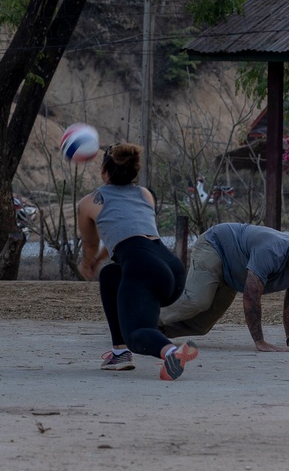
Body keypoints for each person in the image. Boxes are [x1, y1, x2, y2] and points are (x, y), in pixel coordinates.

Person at [77, 143, 199, 381]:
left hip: (143, 267)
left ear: (103, 170)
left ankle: (173, 353)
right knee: (111, 275)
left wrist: (88, 261)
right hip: (171, 269)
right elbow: (126, 234)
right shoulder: (145, 194)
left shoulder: (90, 202)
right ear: (134, 172)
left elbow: (92, 244)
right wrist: (100, 261)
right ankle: (119, 354)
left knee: (137, 334)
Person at [156, 223, 289, 352]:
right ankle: (139, 319)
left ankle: (154, 331)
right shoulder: (271, 250)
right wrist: (259, 341)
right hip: (216, 246)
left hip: (234, 274)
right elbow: (251, 295)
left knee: (201, 325)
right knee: (197, 300)